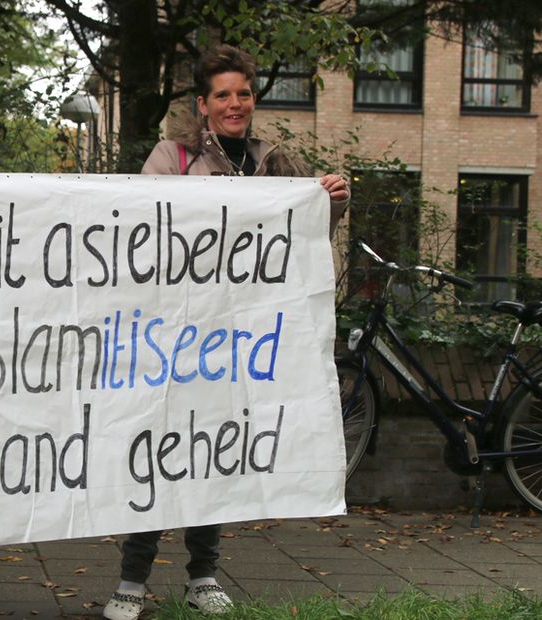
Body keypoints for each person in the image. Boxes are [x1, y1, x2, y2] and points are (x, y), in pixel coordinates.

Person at [103, 45, 350, 620]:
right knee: (156, 447)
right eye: (223, 95)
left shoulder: (274, 160)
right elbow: (146, 226)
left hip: (238, 340)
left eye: (243, 93)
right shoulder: (174, 156)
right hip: (172, 338)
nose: (234, 104)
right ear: (203, 104)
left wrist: (331, 203)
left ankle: (203, 574)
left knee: (210, 452)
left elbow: (302, 238)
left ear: (252, 99)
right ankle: (132, 579)